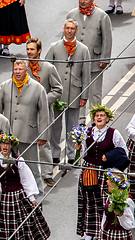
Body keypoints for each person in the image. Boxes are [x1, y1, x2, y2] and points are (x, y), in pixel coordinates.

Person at [0, 59, 49, 203]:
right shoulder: (5, 86)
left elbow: (44, 113)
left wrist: (43, 135)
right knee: (7, 167)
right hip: (8, 137)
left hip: (28, 135)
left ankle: (38, 198)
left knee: (31, 168)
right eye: (15, 69)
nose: (17, 72)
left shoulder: (38, 88)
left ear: (26, 71)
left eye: (20, 69)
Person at [75, 105, 128, 240]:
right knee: (89, 201)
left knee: (104, 201)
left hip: (105, 173)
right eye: (97, 115)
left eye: (102, 116)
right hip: (89, 171)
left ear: (107, 118)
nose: (99, 118)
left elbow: (123, 151)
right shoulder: (87, 131)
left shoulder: (113, 133)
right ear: (94, 118)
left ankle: (102, 230)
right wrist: (79, 148)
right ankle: (89, 232)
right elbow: (84, 153)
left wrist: (109, 157)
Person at [45, 19, 91, 165]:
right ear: (63, 29)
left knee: (72, 127)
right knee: (55, 126)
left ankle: (71, 155)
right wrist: (47, 94)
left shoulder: (83, 49)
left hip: (74, 94)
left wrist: (84, 96)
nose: (70, 31)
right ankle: (55, 154)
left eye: (72, 28)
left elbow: (86, 74)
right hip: (57, 95)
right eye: (67, 28)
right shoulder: (54, 47)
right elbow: (46, 70)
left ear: (76, 30)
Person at [0, 133, 51, 240]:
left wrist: (32, 198)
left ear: (12, 145)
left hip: (16, 198)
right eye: (3, 143)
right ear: (0, 144)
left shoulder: (19, 160)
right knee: (1, 224)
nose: (5, 146)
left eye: (8, 144)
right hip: (1, 198)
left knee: (17, 224)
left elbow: (26, 179)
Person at [67, 0, 112, 124]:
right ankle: (80, 121)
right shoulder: (72, 14)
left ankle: (96, 121)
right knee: (78, 92)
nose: (82, 1)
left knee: (94, 93)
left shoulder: (102, 16)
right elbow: (65, 36)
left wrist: (105, 58)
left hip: (95, 62)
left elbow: (107, 38)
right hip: (76, 63)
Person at [26, 37, 63, 187]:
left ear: (39, 51)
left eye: (32, 49)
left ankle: (47, 174)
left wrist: (43, 101)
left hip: (43, 114)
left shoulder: (48, 68)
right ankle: (28, 175)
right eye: (27, 49)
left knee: (43, 144)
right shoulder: (21, 67)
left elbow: (58, 89)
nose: (29, 52)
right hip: (27, 114)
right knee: (26, 143)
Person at [101, 168, 135, 239]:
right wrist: (101, 230)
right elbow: (105, 216)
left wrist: (120, 215)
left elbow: (130, 225)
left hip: (119, 236)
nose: (106, 181)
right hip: (107, 233)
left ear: (114, 183)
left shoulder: (126, 201)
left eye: (109, 180)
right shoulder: (110, 197)